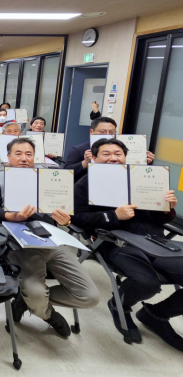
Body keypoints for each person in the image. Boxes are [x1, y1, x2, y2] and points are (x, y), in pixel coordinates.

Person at [0, 137, 100, 337]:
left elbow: (63, 211)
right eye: (18, 154)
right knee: (36, 294)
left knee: (90, 296)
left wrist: (65, 221)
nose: (23, 158)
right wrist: (12, 216)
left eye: (28, 154)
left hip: (51, 241)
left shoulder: (49, 179)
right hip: (18, 244)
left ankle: (24, 300)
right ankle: (47, 314)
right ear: (8, 157)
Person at [72, 138, 181, 348]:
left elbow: (158, 219)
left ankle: (156, 315)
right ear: (93, 158)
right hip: (115, 243)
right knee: (147, 283)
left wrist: (167, 208)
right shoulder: (86, 182)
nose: (113, 157)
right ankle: (119, 304)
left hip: (155, 242)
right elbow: (76, 219)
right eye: (106, 154)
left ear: (125, 158)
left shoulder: (142, 179)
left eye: (118, 154)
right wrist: (113, 215)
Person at [63, 117, 155, 182]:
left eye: (111, 132)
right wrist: (84, 163)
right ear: (91, 132)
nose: (107, 135)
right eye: (102, 132)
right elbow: (66, 173)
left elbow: (130, 172)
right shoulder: (78, 150)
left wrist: (143, 162)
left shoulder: (121, 148)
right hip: (87, 191)